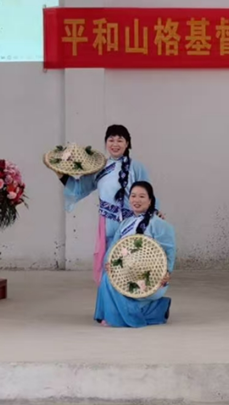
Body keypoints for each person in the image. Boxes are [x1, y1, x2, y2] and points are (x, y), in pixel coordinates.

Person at [59, 125, 156, 285]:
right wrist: (61, 174)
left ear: (127, 143)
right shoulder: (100, 167)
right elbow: (80, 187)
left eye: (120, 140)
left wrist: (154, 213)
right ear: (105, 143)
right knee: (110, 263)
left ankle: (129, 303)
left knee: (131, 263)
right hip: (107, 223)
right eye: (111, 140)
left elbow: (148, 194)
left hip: (132, 222)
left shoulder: (137, 167)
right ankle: (110, 302)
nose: (115, 144)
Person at [95, 181, 174, 327]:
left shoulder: (159, 224)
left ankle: (125, 315)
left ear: (150, 200)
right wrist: (109, 264)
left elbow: (169, 252)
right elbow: (113, 249)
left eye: (142, 196)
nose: (136, 200)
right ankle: (156, 308)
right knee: (108, 277)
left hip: (150, 277)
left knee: (110, 283)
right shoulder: (125, 223)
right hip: (127, 272)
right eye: (133, 196)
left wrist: (166, 272)